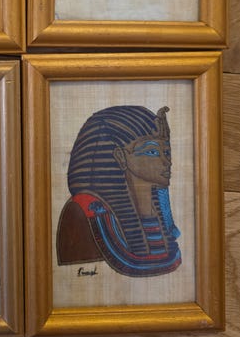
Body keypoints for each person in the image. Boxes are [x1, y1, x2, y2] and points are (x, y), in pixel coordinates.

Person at [56, 105, 181, 277]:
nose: (167, 161)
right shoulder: (82, 212)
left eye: (166, 151)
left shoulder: (157, 213)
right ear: (121, 157)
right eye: (152, 151)